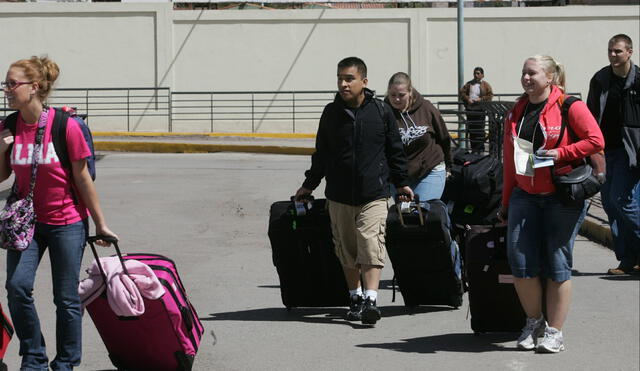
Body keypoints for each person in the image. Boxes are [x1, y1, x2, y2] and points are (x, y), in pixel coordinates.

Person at [0, 56, 117, 371]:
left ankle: (65, 362)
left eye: (12, 83)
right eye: (5, 84)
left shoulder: (66, 125)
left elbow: (83, 179)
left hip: (67, 222)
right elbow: (1, 176)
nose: (6, 90)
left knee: (65, 298)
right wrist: (1, 149)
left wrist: (101, 224)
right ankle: (34, 356)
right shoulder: (9, 125)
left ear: (34, 87)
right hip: (27, 225)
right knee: (17, 287)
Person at [295, 57, 413, 326]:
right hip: (339, 195)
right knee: (347, 249)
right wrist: (309, 184)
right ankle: (355, 296)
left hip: (375, 193)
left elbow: (395, 151)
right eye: (340, 78)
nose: (343, 84)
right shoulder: (331, 113)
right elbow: (321, 154)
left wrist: (402, 182)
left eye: (349, 78)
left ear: (364, 82)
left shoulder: (381, 112)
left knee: (370, 241)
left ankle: (371, 299)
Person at [498, 55, 604, 353]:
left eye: (532, 73)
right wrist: (506, 204)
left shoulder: (570, 106)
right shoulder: (515, 112)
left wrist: (561, 153)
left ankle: (555, 332)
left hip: (562, 195)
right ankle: (534, 322)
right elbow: (512, 164)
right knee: (520, 263)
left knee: (557, 262)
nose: (526, 78)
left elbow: (596, 141)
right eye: (523, 73)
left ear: (550, 77)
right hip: (524, 195)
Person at [586, 34, 640, 276]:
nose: (613, 55)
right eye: (610, 50)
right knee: (609, 204)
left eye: (618, 51)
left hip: (631, 153)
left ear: (629, 52)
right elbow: (589, 115)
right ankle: (628, 260)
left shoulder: (638, 80)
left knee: (623, 201)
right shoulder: (600, 79)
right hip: (603, 151)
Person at [385, 72, 452, 201]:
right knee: (402, 216)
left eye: (401, 95)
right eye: (392, 95)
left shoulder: (426, 108)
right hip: (398, 176)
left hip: (429, 169)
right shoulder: (384, 112)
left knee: (423, 212)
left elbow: (444, 137)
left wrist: (449, 166)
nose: (396, 99)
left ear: (410, 92)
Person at [459, 67, 494, 154]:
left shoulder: (485, 85)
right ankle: (474, 149)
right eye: (475, 73)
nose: (476, 75)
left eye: (478, 73)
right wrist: (468, 99)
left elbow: (490, 95)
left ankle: (480, 149)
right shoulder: (469, 84)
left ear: (482, 75)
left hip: (480, 110)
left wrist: (481, 99)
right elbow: (462, 93)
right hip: (470, 110)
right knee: (472, 130)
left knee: (480, 130)